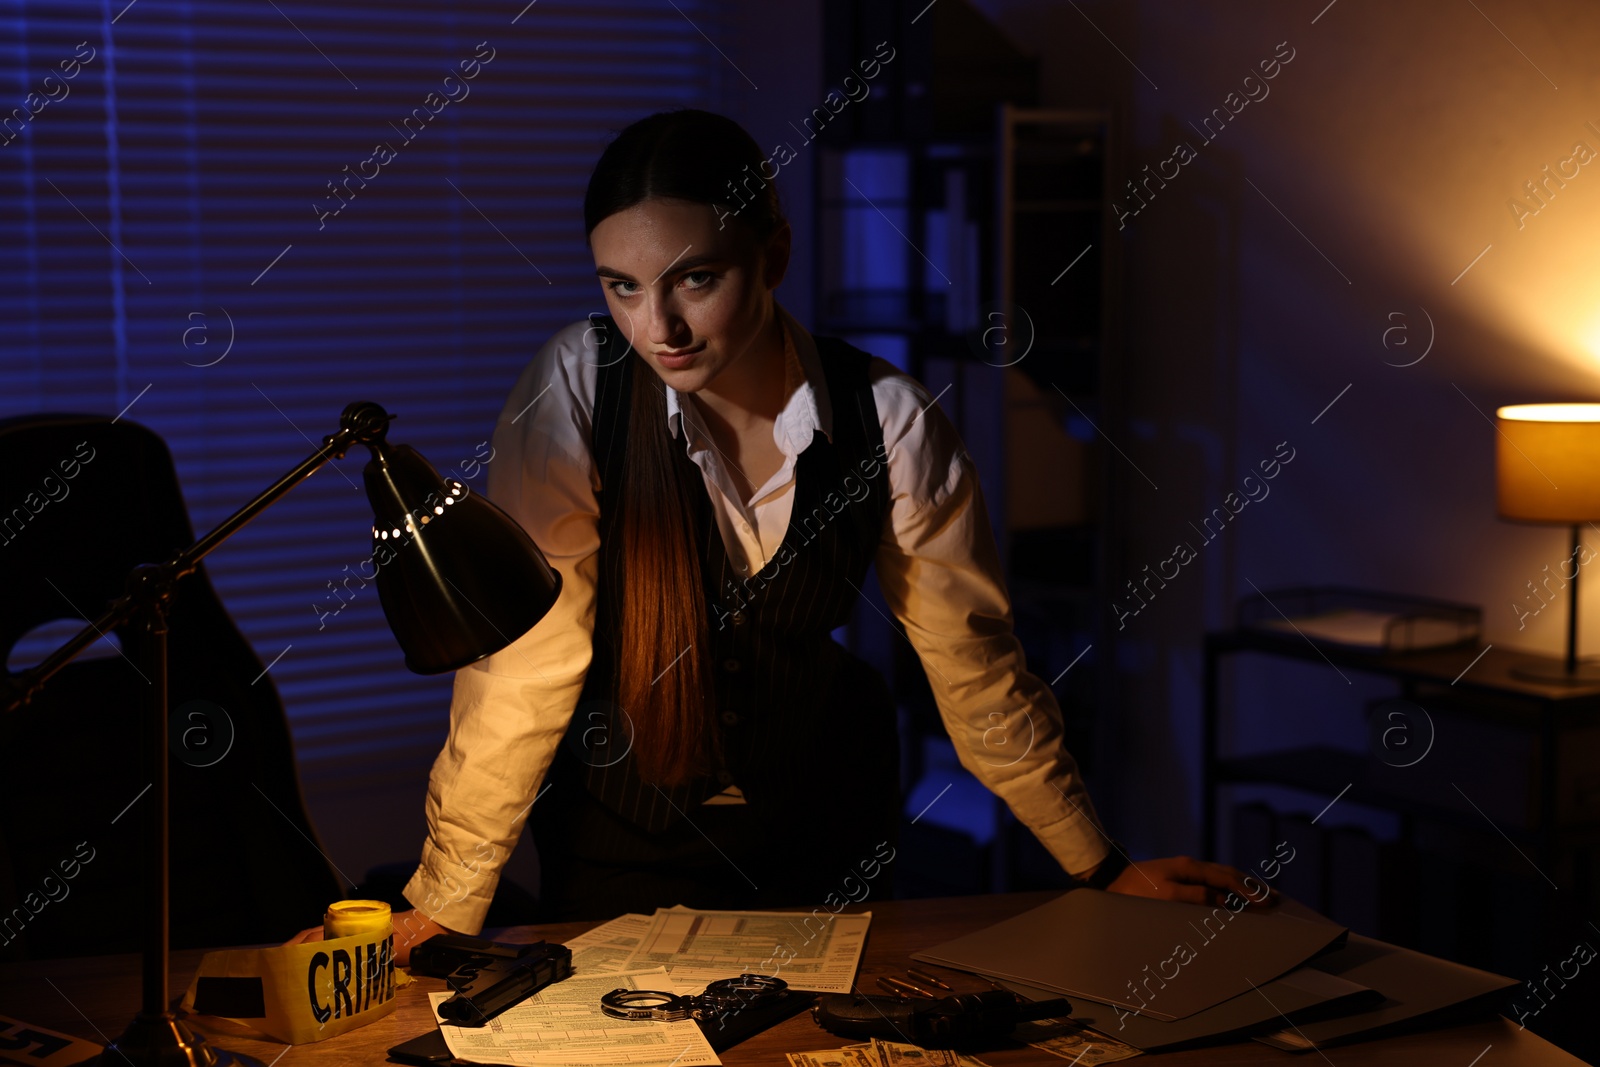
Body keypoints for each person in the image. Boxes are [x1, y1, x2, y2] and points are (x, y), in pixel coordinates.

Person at [295, 109, 1265, 965]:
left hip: (823, 831)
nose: (658, 325)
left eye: (695, 279)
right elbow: (527, 663)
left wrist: (1099, 865)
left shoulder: (888, 416)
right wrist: (444, 897)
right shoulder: (576, 387)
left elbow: (973, 667)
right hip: (619, 838)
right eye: (621, 288)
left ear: (776, 254)